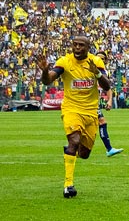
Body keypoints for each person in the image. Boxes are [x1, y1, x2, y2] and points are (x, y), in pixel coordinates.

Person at [36, 34, 111, 198]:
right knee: (74, 141)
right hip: (71, 109)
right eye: (75, 45)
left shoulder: (96, 62)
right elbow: (48, 80)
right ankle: (68, 185)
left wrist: (97, 74)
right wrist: (44, 71)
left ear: (88, 47)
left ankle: (69, 153)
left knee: (84, 154)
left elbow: (107, 85)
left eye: (81, 45)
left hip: (91, 112)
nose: (77, 48)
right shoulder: (64, 62)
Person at [95, 51, 123, 157]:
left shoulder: (103, 71)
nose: (100, 60)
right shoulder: (91, 68)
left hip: (93, 102)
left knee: (101, 122)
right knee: (99, 122)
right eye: (98, 58)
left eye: (102, 59)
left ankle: (109, 149)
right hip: (85, 102)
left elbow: (107, 87)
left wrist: (110, 100)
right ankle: (72, 148)